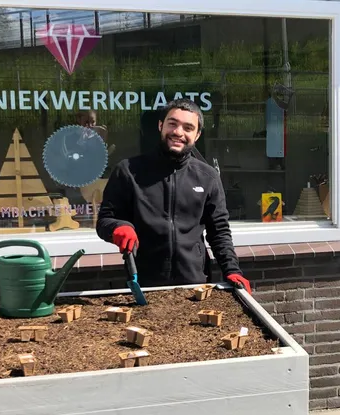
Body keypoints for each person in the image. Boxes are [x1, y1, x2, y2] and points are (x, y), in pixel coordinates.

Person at [96, 99, 251, 293]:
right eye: (172, 124)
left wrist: (232, 270)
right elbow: (105, 221)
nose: (178, 132)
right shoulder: (128, 171)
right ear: (161, 125)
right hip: (143, 284)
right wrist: (118, 227)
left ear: (197, 135)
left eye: (188, 127)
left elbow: (218, 231)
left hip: (196, 284)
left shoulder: (208, 177)